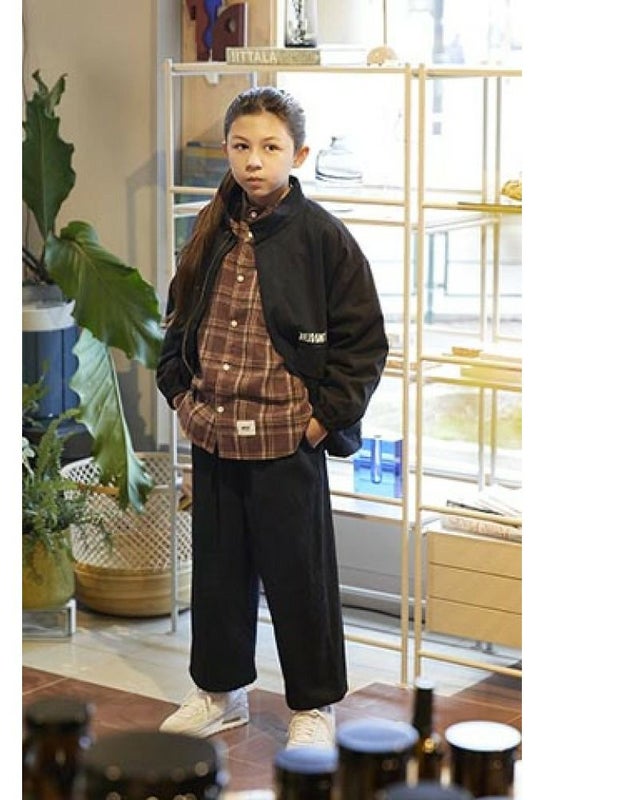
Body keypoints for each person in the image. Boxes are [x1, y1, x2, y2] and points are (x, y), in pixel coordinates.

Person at [155, 86, 389, 749]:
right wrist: (180, 395)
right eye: (241, 146)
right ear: (226, 149)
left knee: (300, 579)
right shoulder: (208, 228)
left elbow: (364, 343)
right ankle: (219, 691)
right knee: (219, 574)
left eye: (270, 147)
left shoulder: (323, 238)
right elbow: (179, 318)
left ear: (299, 154)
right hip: (213, 432)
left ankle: (314, 706)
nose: (253, 161)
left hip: (289, 439)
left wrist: (323, 419)